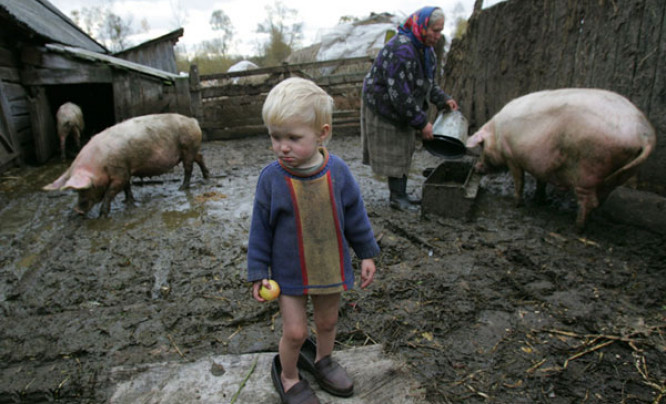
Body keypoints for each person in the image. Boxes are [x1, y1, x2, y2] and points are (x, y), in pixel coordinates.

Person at [247, 77, 380, 404]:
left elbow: (355, 217)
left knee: (327, 321)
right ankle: (289, 376)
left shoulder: (339, 172)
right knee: (295, 332)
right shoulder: (272, 179)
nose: (282, 147)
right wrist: (258, 270)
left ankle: (323, 359)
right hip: (288, 272)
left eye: (293, 138)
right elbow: (259, 229)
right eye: (275, 137)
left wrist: (366, 253)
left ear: (322, 133)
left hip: (329, 266)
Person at [361, 6, 459, 212]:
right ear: (422, 26)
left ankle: (401, 194)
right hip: (384, 104)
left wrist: (443, 99)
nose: (437, 35)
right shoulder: (402, 50)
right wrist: (421, 122)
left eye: (440, 31)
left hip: (401, 103)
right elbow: (400, 94)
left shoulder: (426, 52)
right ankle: (397, 197)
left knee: (406, 146)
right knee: (395, 146)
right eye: (434, 30)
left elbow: (427, 84)